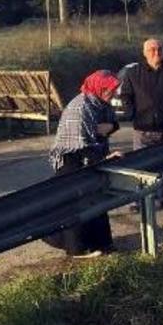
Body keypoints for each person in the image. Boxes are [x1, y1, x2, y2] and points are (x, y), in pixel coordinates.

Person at [46, 70, 122, 257]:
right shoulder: (81, 107)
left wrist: (110, 127)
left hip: (90, 155)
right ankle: (77, 249)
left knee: (97, 198)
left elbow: (113, 123)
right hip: (71, 159)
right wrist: (105, 159)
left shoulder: (101, 103)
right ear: (100, 88)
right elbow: (82, 145)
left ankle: (103, 244)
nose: (114, 94)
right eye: (110, 90)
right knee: (76, 203)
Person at [119, 38, 163, 209]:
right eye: (151, 50)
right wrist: (131, 114)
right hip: (143, 128)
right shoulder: (133, 73)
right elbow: (126, 95)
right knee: (142, 168)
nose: (156, 53)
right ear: (144, 53)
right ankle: (140, 200)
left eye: (159, 49)